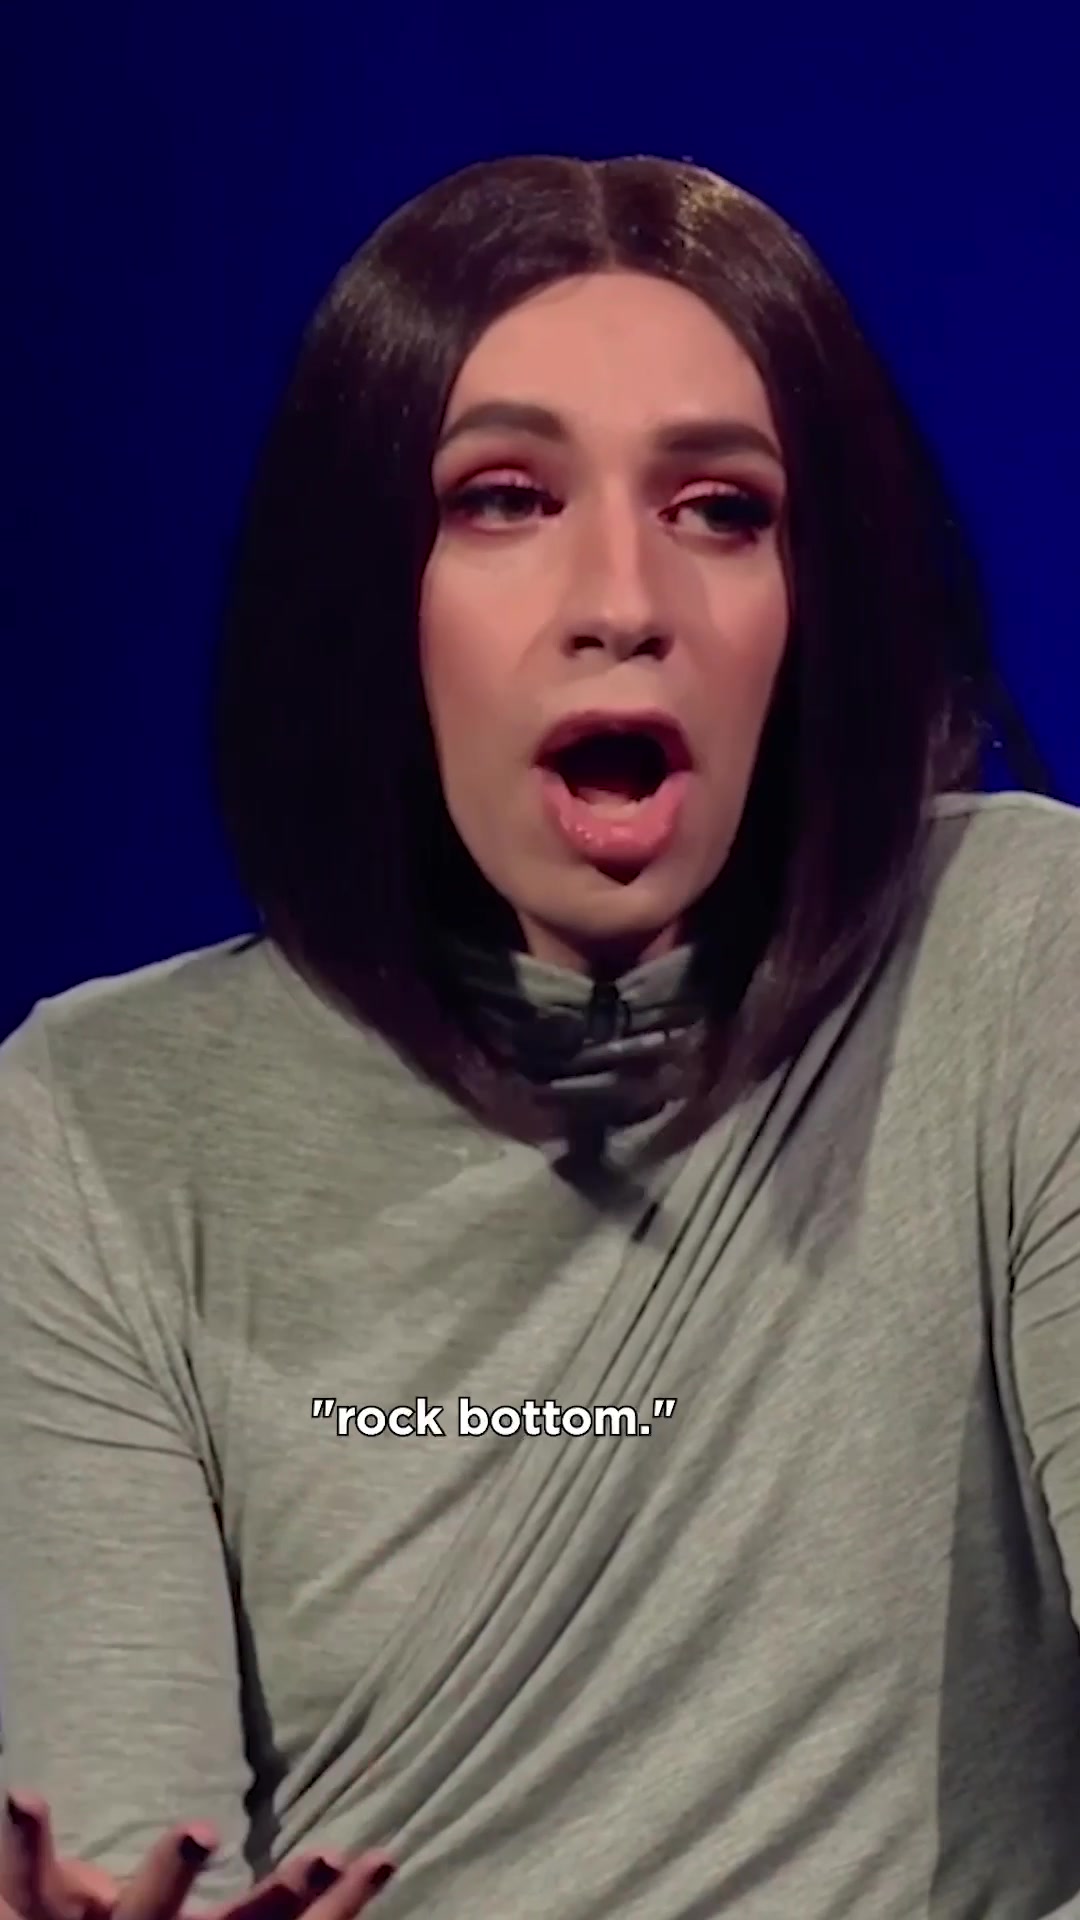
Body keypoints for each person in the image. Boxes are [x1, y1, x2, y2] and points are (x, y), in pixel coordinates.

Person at [1, 150, 1078, 1920]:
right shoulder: (96, 1119)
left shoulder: (1027, 957)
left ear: (814, 599)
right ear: (370, 589)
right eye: (504, 497)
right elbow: (129, 1853)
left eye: (721, 509)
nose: (625, 600)